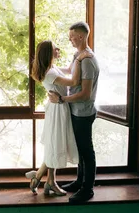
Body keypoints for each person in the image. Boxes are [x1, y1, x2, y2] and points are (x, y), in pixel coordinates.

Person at [25, 40, 92, 196]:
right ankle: (42, 179)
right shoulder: (50, 73)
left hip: (59, 108)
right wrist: (80, 59)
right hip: (57, 110)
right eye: (56, 48)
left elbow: (69, 70)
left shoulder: (52, 68)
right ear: (49, 53)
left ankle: (46, 180)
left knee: (54, 145)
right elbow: (75, 81)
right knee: (55, 145)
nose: (59, 49)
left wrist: (77, 57)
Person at [48, 21, 99, 203]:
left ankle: (88, 189)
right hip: (76, 110)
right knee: (80, 148)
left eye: (71, 37)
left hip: (83, 112)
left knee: (86, 151)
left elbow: (85, 94)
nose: (69, 40)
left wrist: (62, 99)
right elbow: (69, 71)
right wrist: (49, 70)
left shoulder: (87, 61)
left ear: (81, 36)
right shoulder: (78, 55)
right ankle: (79, 182)